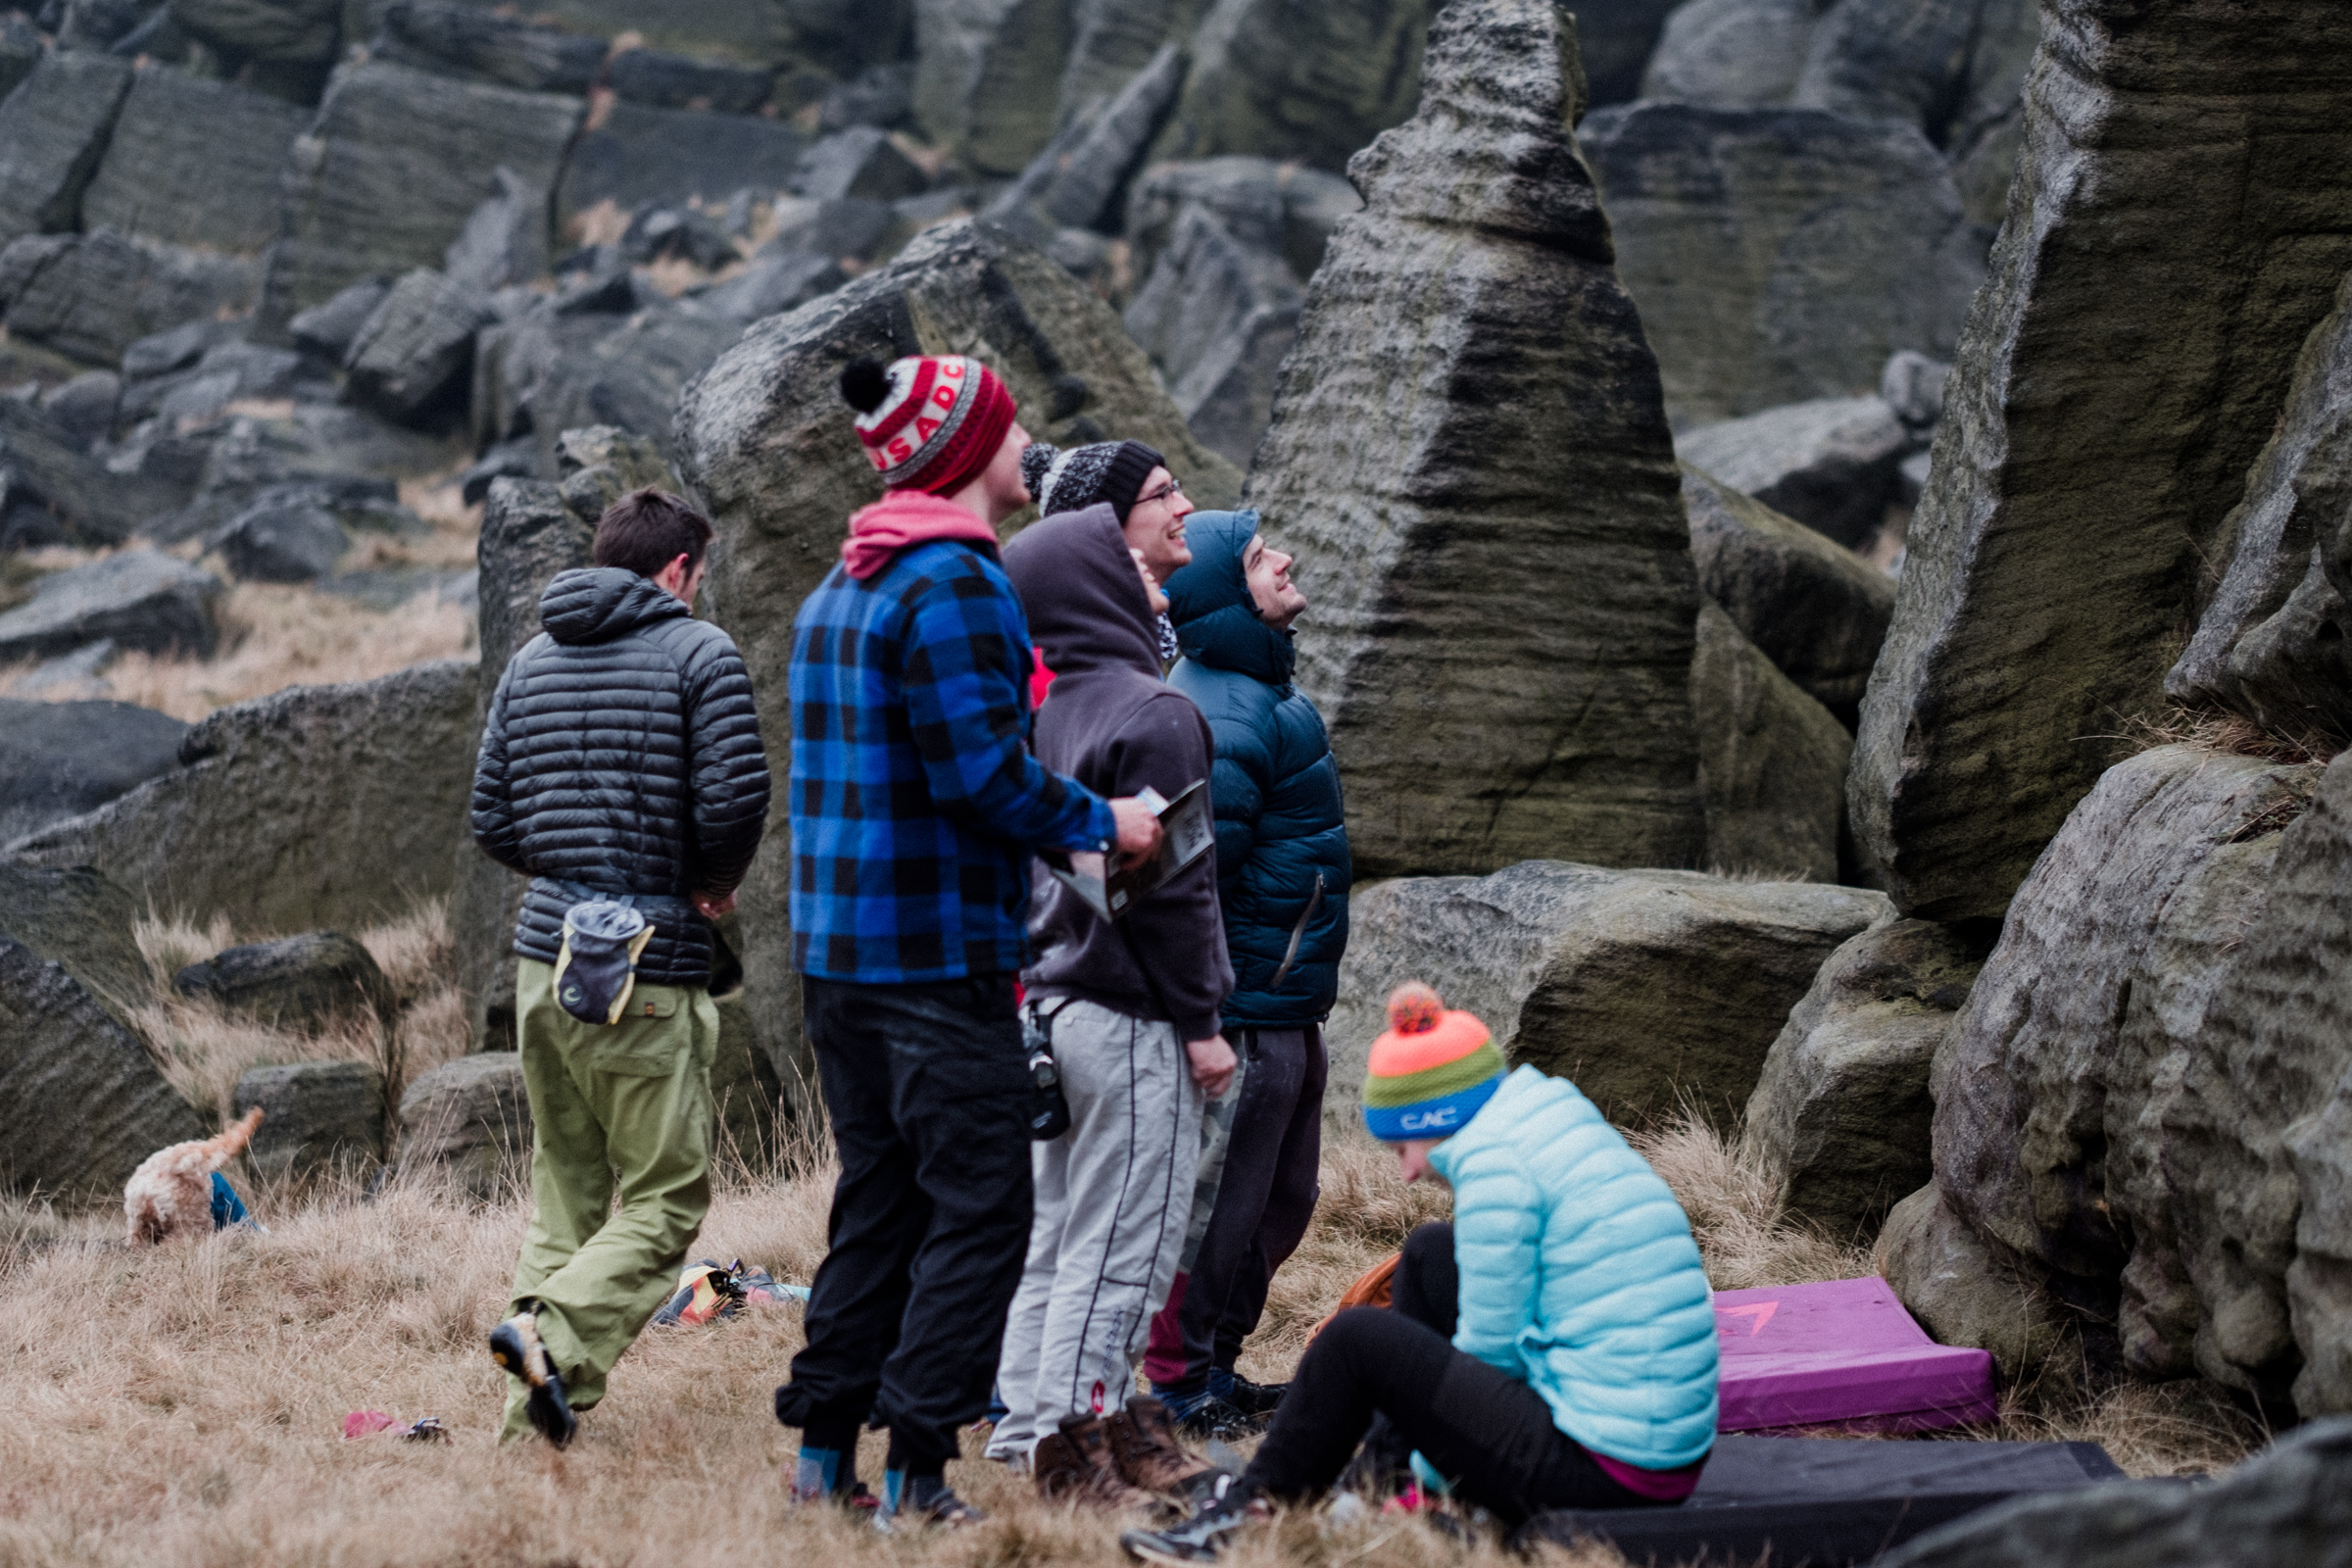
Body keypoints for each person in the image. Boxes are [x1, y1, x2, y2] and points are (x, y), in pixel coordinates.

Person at [773, 354, 1165, 1530]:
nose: (1025, 437)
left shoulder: (841, 582)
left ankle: (823, 1465)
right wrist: (1108, 821)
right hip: (934, 961)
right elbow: (984, 777)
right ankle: (917, 1475)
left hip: (837, 959)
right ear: (962, 451)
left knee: (879, 1205)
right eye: (1007, 422)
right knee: (984, 1210)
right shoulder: (956, 582)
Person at [1120, 982, 1720, 1563]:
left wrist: (1432, 1471)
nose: (1407, 1173)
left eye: (1401, 1149)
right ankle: (1374, 1482)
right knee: (1432, 1253)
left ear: (1433, 1119)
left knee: (1354, 1341)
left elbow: (1491, 1360)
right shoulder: (1540, 1116)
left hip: (1606, 1470)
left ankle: (1244, 1518)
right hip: (1647, 1446)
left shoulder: (1498, 1172)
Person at [469, 488, 771, 1447]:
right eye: (700, 574)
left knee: (566, 1190)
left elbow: (491, 817)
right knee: (667, 1197)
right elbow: (735, 802)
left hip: (544, 959)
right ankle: (552, 1341)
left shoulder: (531, 659)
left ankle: (528, 1426)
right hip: (645, 962)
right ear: (678, 568)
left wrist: (571, 873)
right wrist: (707, 886)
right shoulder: (699, 651)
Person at [983, 505, 1239, 1502]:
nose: (1154, 579)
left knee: (1055, 1238)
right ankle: (1077, 1439)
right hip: (1132, 1013)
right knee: (1124, 1240)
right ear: (1092, 588)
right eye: (1127, 566)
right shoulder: (1156, 713)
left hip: (1053, 1009)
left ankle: (1025, 1429)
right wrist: (1203, 1024)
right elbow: (1174, 890)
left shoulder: (1047, 715)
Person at [1144, 513, 1350, 1435]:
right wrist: (1207, 1016)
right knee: (1221, 1207)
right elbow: (1190, 881)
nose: (1287, 559)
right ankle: (1179, 1385)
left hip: (1284, 1000)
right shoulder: (1224, 714)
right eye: (1264, 557)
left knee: (1278, 1198)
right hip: (1244, 1010)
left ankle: (1215, 1368)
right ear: (1230, 593)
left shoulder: (1258, 690)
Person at [1020, 438, 1195, 660]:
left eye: (1174, 488)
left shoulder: (1110, 646)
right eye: (1161, 494)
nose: (1186, 506)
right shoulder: (1079, 662)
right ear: (1105, 526)